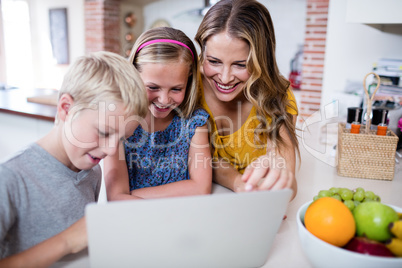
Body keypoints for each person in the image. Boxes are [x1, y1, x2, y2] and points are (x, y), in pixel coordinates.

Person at [0, 51, 148, 267]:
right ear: (66, 108)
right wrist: (67, 241)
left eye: (122, 139)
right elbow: (73, 240)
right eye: (104, 132)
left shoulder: (91, 171)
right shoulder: (9, 179)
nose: (110, 149)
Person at [194, 0, 299, 198]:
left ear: (262, 60)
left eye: (240, 65)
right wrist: (238, 183)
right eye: (214, 61)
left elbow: (288, 179)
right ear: (202, 53)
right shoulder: (189, 88)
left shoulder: (277, 94)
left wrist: (279, 179)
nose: (225, 78)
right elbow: (201, 159)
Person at [104, 27, 212, 200]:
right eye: (153, 87)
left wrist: (130, 195)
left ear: (189, 79)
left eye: (176, 89)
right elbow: (116, 197)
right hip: (136, 219)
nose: (163, 99)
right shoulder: (119, 120)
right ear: (133, 74)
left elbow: (201, 187)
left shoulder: (195, 121)